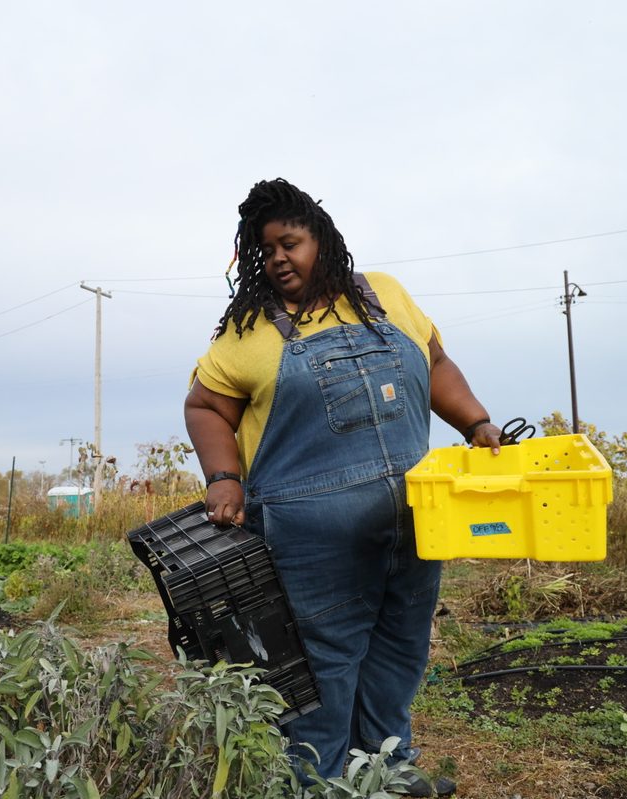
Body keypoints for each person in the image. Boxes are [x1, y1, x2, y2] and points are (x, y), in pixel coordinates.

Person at [184, 178, 501, 796]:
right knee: (322, 669)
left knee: (399, 655)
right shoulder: (251, 333)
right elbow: (204, 406)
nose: (277, 258)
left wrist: (477, 422)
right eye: (264, 250)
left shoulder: (384, 295)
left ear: (321, 240)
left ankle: (386, 771)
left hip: (413, 522)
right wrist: (224, 478)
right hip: (312, 542)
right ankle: (318, 784)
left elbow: (435, 363)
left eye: (289, 243)